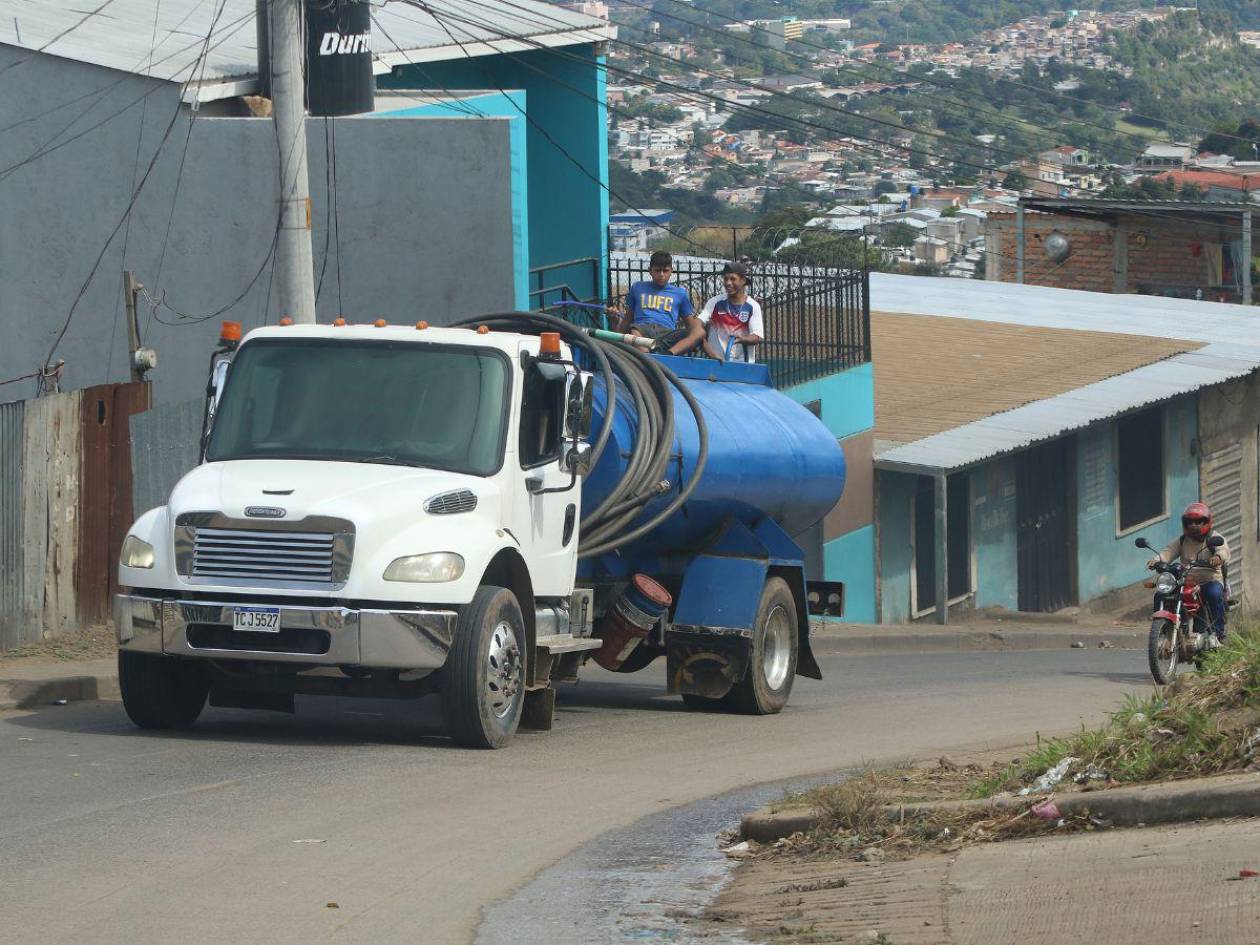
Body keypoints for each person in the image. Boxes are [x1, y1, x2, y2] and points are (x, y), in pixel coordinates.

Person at [1147, 501, 1231, 645]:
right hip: (1185, 581)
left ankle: (1218, 634)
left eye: (1199, 521)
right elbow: (1167, 552)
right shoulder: (1182, 540)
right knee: (1161, 594)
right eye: (1190, 522)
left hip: (1209, 580)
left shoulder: (1214, 538)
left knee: (1214, 594)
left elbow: (1223, 550)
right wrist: (1155, 560)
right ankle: (1164, 631)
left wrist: (1217, 558)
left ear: (1207, 522)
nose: (1194, 525)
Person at [610, 251, 696, 353]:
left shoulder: (680, 293)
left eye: (665, 271)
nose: (661, 274)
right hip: (641, 329)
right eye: (657, 270)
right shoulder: (637, 288)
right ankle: (647, 358)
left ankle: (662, 355)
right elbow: (627, 319)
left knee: (695, 333)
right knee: (634, 331)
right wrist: (616, 324)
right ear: (650, 271)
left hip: (667, 333)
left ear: (671, 271)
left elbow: (691, 325)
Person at [682, 261, 764, 363]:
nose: (728, 283)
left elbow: (756, 337)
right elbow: (699, 322)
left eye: (733, 279)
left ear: (743, 280)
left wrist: (741, 339)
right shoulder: (715, 302)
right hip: (717, 363)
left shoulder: (752, 306)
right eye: (726, 279)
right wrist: (699, 332)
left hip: (743, 366)